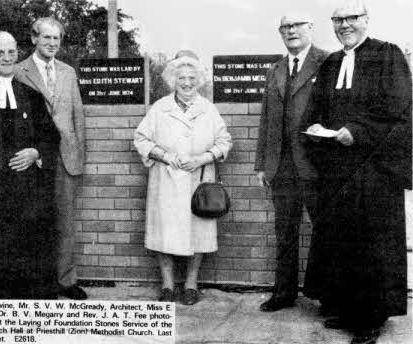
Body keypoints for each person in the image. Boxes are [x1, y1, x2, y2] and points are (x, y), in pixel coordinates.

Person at [303, 1, 412, 343]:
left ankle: (370, 319)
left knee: (372, 244)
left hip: (374, 170)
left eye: (351, 18)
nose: (344, 25)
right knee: (343, 240)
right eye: (338, 20)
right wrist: (316, 127)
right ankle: (348, 309)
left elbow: (396, 106)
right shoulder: (332, 61)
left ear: (366, 20)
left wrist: (357, 131)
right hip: (337, 168)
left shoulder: (387, 53)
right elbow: (316, 106)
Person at [0, 31, 61, 299]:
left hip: (25, 191)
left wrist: (35, 152)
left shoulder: (30, 94)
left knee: (26, 252)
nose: (7, 58)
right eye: (0, 53)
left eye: (11, 52)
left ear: (18, 53)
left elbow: (50, 136)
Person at [134, 50, 232, 305]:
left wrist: (201, 158)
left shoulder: (208, 109)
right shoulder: (160, 108)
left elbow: (224, 142)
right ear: (172, 81)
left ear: (198, 80)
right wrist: (166, 156)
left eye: (191, 78)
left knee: (197, 232)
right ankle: (167, 286)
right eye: (181, 79)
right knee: (163, 232)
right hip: (166, 180)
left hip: (198, 181)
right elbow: (141, 139)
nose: (187, 83)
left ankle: (190, 284)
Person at [254, 12, 328, 312]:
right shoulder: (275, 70)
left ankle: (327, 296)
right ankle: (283, 294)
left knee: (324, 232)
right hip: (282, 168)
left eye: (297, 25)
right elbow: (266, 120)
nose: (291, 31)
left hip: (316, 166)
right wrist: (262, 164)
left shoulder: (328, 62)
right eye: (285, 27)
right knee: (284, 234)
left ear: (310, 28)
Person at [15, 17, 87, 300]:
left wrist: (79, 153)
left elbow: (78, 115)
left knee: (66, 221)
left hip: (65, 156)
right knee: (36, 220)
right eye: (46, 38)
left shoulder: (68, 72)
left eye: (56, 39)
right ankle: (39, 282)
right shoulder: (19, 70)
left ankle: (66, 281)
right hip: (35, 156)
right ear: (34, 39)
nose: (52, 44)